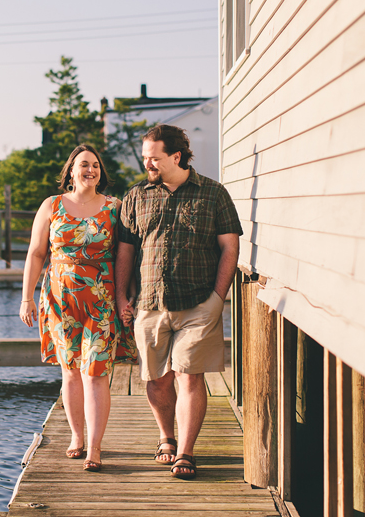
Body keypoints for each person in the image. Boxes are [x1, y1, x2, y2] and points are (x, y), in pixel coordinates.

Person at [115, 124, 242, 480]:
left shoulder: (214, 194)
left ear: (176, 156)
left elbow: (230, 247)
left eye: (153, 158)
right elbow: (125, 251)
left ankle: (186, 452)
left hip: (199, 303)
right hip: (150, 303)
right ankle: (165, 437)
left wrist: (219, 298)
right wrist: (121, 296)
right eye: (145, 159)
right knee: (157, 380)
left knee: (189, 377)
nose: (148, 165)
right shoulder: (137, 196)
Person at [20, 144, 138, 473]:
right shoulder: (51, 206)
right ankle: (76, 437)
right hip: (59, 302)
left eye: (96, 166)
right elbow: (35, 253)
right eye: (83, 165)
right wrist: (26, 297)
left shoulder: (115, 208)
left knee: (97, 373)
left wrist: (125, 298)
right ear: (71, 171)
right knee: (71, 372)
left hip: (101, 301)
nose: (90, 170)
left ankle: (96, 447)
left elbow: (126, 257)